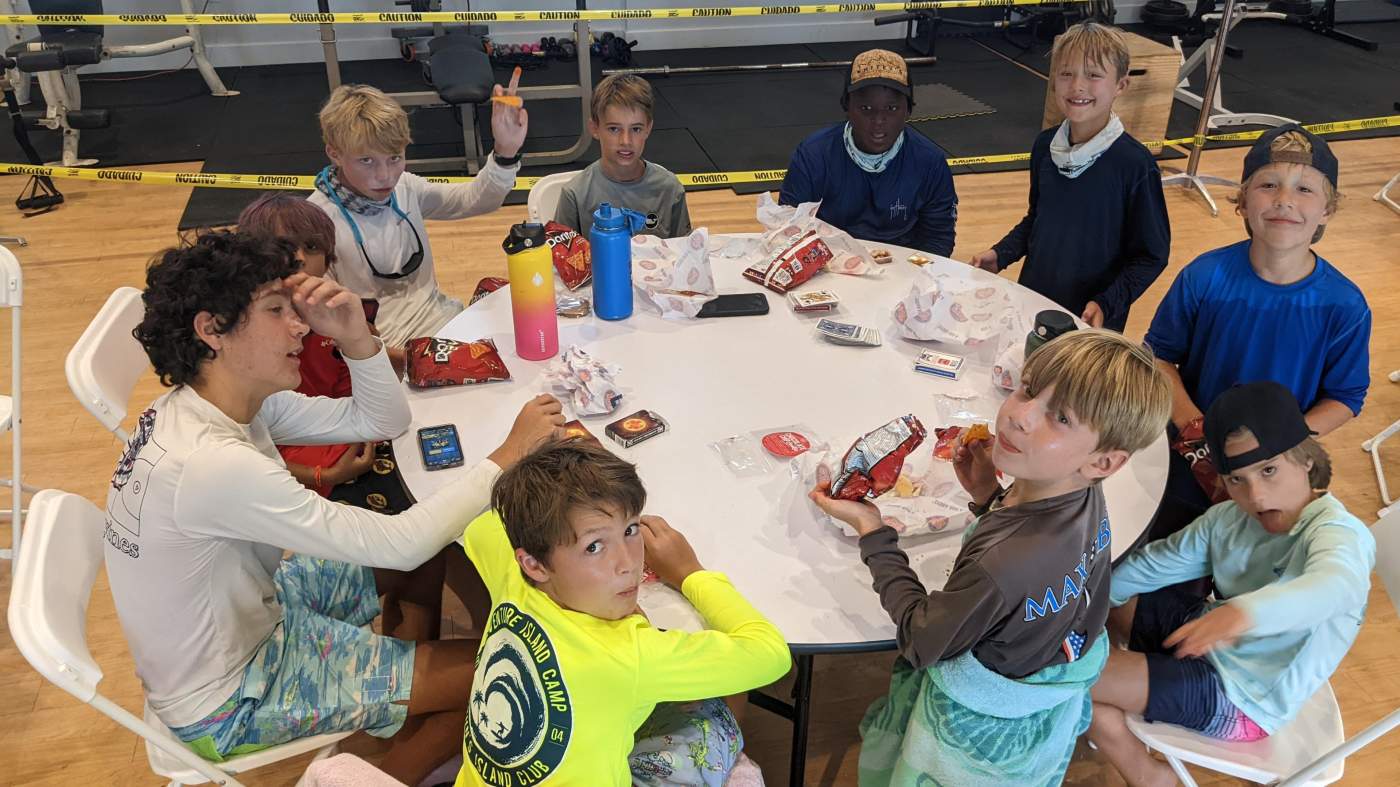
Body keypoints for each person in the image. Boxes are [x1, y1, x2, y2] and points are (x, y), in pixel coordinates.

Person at [105, 231, 563, 785]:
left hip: (254, 615)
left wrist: (356, 339)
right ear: (211, 330)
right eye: (276, 311)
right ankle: (384, 771)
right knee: (523, 676)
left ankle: (399, 697)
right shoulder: (212, 464)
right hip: (233, 695)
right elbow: (403, 542)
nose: (299, 325)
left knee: (432, 548)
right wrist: (509, 455)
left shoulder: (212, 403)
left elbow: (383, 422)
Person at [811, 329, 1172, 786]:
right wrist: (987, 496)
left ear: (1103, 463)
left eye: (1060, 417)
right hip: (1043, 697)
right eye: (1028, 389)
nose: (1019, 416)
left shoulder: (1002, 564)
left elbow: (921, 639)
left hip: (970, 743)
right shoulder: (1084, 493)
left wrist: (874, 531)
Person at [454, 440, 791, 786]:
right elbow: (771, 654)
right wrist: (689, 572)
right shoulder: (632, 655)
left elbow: (482, 528)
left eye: (631, 530)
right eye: (594, 547)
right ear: (534, 564)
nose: (628, 564)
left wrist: (569, 486)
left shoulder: (516, 573)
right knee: (723, 700)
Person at [1089, 381, 1374, 787]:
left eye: (1269, 470)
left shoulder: (1339, 534)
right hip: (1209, 639)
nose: (1255, 496)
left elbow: (1337, 586)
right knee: (1098, 611)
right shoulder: (1229, 520)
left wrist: (1244, 614)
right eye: (1236, 480)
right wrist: (1086, 606)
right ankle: (1114, 714)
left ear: (1306, 460)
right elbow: (1151, 567)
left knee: (1065, 676)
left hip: (1246, 698)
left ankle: (1150, 776)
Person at [1143, 124, 1370, 543]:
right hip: (1190, 452)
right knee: (1167, 546)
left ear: (1327, 210)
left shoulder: (1344, 304)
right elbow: (1159, 357)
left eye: (1305, 190)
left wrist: (1280, 448)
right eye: (1268, 185)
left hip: (1278, 468)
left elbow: (1346, 397)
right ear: (1243, 201)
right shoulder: (1204, 277)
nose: (1284, 200)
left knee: (1252, 562)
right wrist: (1196, 432)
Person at [967, 22, 1169, 331]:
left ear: (1121, 85)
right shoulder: (1044, 146)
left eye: (1093, 75)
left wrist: (1107, 302)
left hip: (1090, 326)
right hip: (1034, 304)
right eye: (1066, 73)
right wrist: (1001, 254)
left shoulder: (1135, 165)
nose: (1077, 86)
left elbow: (1151, 255)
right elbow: (1038, 218)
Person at [309, 78, 527, 348]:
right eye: (366, 161)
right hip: (386, 354)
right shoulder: (314, 222)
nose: (385, 175)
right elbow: (327, 332)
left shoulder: (405, 187)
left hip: (446, 325)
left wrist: (506, 152)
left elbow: (474, 200)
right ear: (335, 153)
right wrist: (401, 362)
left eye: (395, 158)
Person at [778, 48, 957, 257]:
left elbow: (938, 240)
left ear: (908, 110)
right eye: (866, 108)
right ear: (847, 105)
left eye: (891, 109)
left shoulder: (930, 162)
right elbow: (789, 232)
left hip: (903, 271)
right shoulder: (813, 155)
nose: (879, 121)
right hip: (827, 266)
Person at [554, 73, 691, 238]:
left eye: (636, 129)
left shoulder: (670, 189)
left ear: (648, 128)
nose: (626, 141)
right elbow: (561, 259)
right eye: (614, 129)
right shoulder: (575, 195)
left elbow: (684, 253)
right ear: (594, 128)